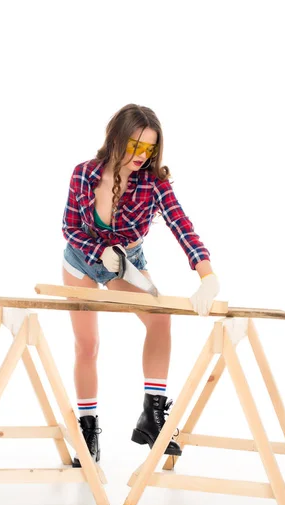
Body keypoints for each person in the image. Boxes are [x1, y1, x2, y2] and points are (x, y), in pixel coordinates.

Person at [61, 103, 220, 467]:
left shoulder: (154, 183)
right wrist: (99, 250)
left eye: (149, 148)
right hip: (81, 259)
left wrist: (207, 274)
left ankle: (151, 415)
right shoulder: (83, 174)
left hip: (128, 265)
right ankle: (88, 430)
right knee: (87, 345)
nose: (141, 155)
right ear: (115, 138)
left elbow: (182, 225)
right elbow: (70, 229)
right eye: (134, 145)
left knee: (160, 319)